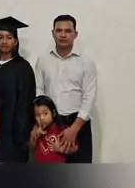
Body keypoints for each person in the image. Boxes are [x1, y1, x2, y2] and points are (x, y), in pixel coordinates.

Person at [35, 15, 97, 163]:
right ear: (53, 33)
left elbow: (89, 97)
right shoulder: (43, 60)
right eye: (59, 30)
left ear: (75, 34)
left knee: (80, 173)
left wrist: (74, 129)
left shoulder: (86, 62)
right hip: (51, 123)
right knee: (51, 173)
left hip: (79, 123)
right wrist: (41, 122)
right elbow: (39, 91)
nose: (63, 35)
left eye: (68, 31)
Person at [0, 16, 36, 163]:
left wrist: (23, 132)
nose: (4, 41)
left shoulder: (23, 68)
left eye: (9, 37)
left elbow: (27, 101)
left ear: (16, 41)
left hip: (14, 132)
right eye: (0, 37)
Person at [30, 95, 79, 163]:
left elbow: (75, 148)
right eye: (37, 115)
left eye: (45, 113)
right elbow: (31, 147)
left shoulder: (63, 130)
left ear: (54, 113)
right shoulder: (37, 131)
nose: (41, 118)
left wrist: (61, 149)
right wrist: (35, 137)